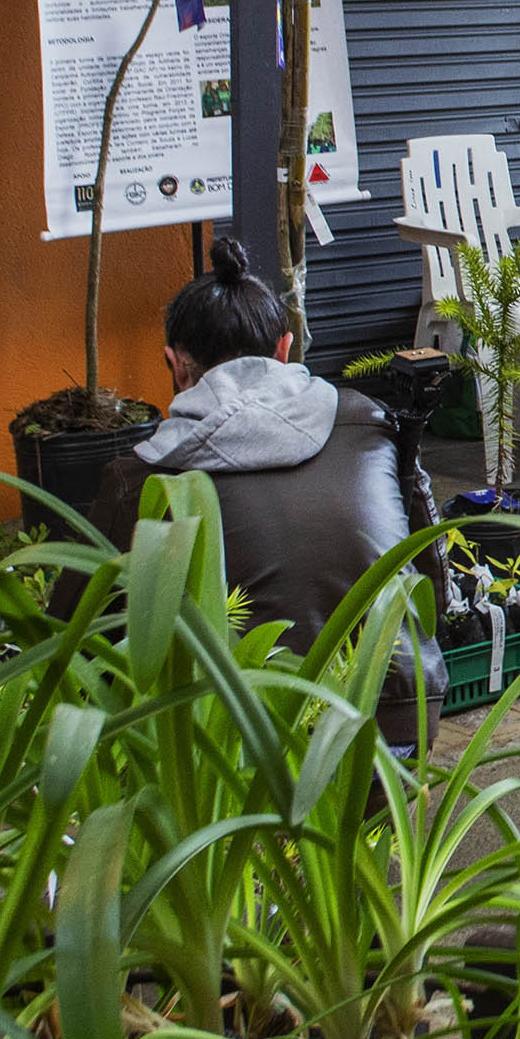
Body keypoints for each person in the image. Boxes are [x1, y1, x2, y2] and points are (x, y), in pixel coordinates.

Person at [79, 240, 446, 746]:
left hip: (240, 747)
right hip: (397, 720)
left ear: (176, 365)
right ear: (284, 348)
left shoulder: (143, 479)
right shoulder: (369, 420)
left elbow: (80, 636)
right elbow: (431, 582)